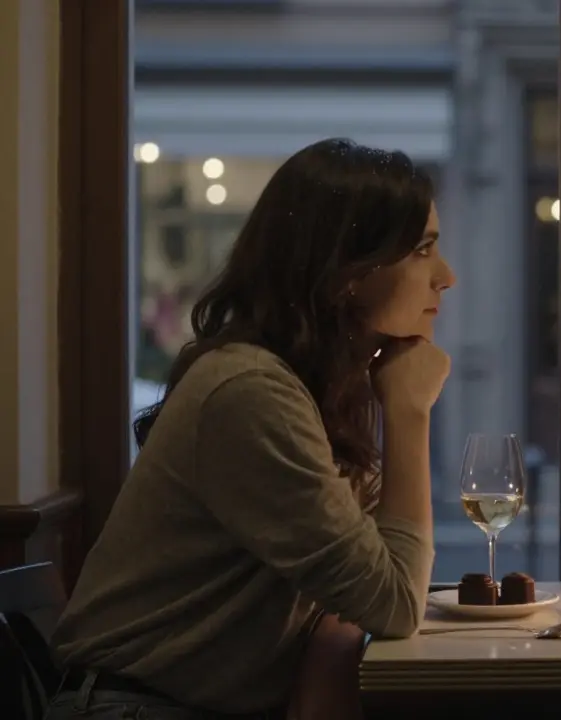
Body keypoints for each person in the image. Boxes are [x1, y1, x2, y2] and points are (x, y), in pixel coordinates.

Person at [45, 138, 455, 719]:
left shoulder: (313, 387)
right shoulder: (252, 392)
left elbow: (368, 588)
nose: (446, 277)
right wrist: (409, 413)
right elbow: (392, 601)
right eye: (422, 250)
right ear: (348, 273)